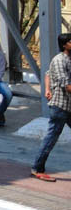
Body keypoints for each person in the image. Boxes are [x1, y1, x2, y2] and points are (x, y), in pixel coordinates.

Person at [31, 32, 71, 181]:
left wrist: (47, 89)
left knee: (51, 137)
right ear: (64, 45)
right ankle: (37, 168)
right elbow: (66, 85)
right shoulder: (60, 60)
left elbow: (48, 74)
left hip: (69, 106)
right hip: (60, 107)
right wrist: (50, 90)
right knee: (51, 138)